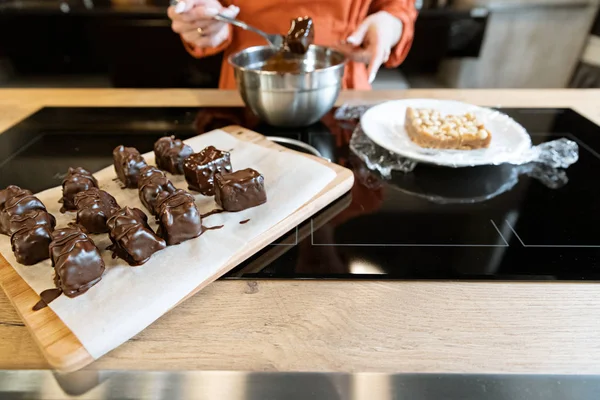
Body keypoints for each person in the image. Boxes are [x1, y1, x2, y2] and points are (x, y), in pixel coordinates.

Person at [168, 0, 417, 89]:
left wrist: (390, 24)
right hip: (248, 89)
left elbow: (397, 6)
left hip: (341, 89)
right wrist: (206, 19)